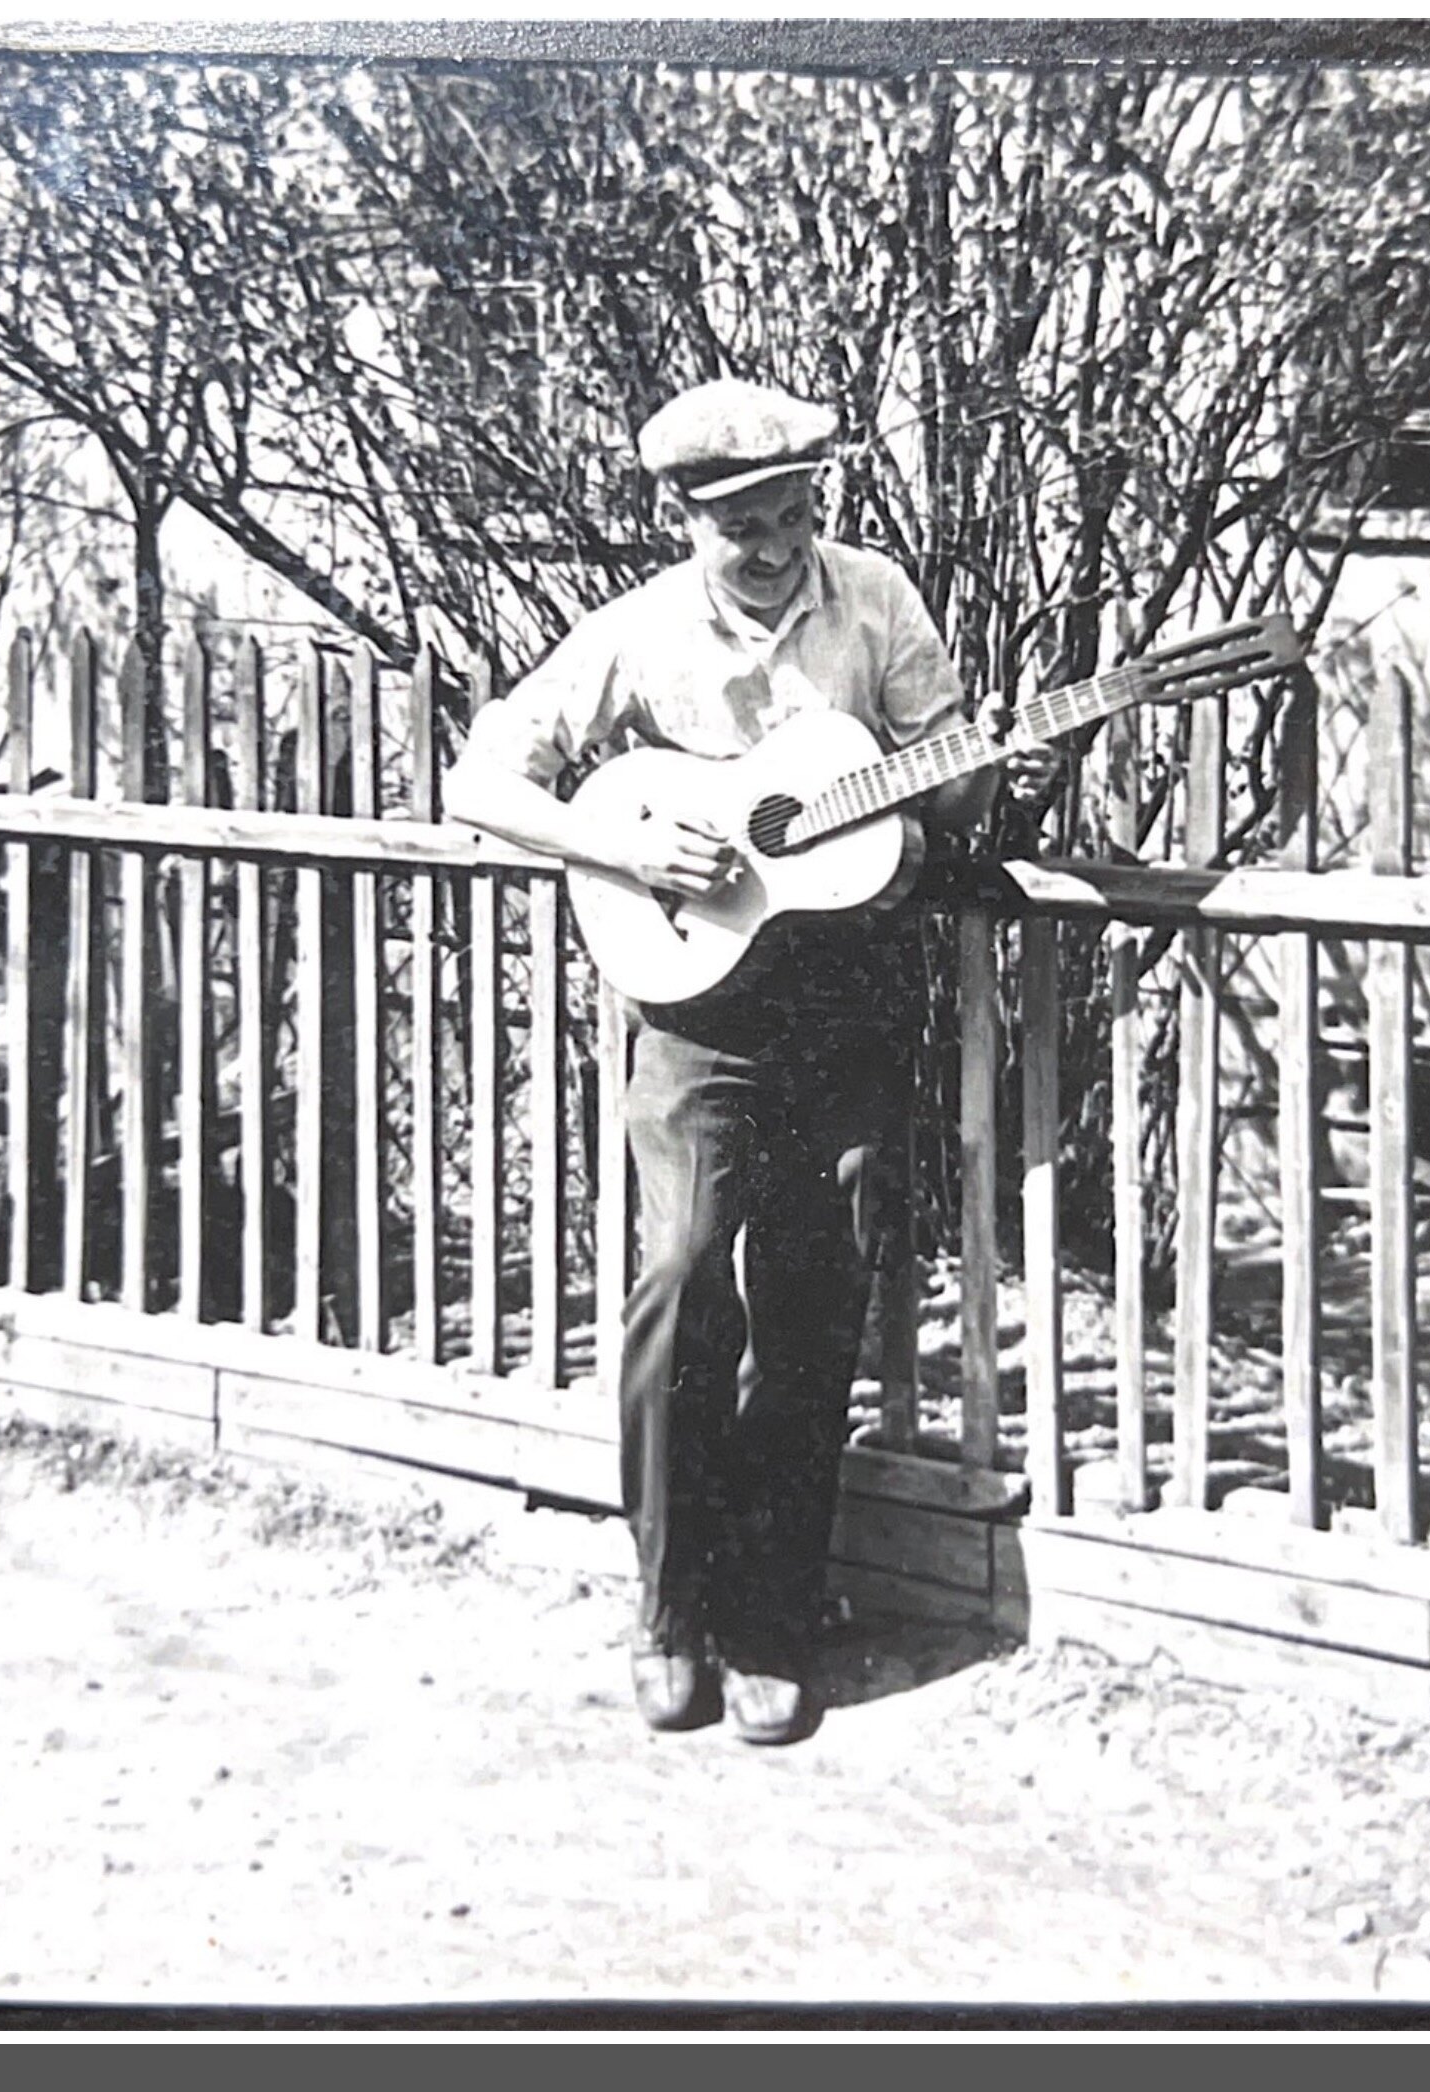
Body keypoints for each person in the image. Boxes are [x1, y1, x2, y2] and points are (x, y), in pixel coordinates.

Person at [443, 377, 1060, 1746]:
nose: (777, 549)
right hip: (698, 1011)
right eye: (744, 529)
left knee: (812, 1289)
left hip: (845, 993)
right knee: (679, 1279)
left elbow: (945, 785)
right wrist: (620, 845)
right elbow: (479, 779)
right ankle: (671, 1609)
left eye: (793, 517)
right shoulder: (637, 632)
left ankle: (774, 1620)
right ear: (686, 519)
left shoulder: (876, 600)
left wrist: (991, 764)